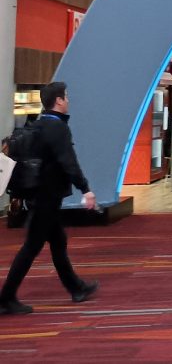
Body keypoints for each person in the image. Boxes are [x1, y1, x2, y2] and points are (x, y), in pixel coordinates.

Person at [0, 82, 99, 315]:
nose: (68, 100)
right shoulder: (58, 129)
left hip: (38, 193)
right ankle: (6, 297)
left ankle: (76, 287)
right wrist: (85, 189)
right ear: (58, 101)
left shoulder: (40, 124)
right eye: (66, 97)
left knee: (58, 241)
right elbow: (68, 161)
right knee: (31, 246)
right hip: (48, 195)